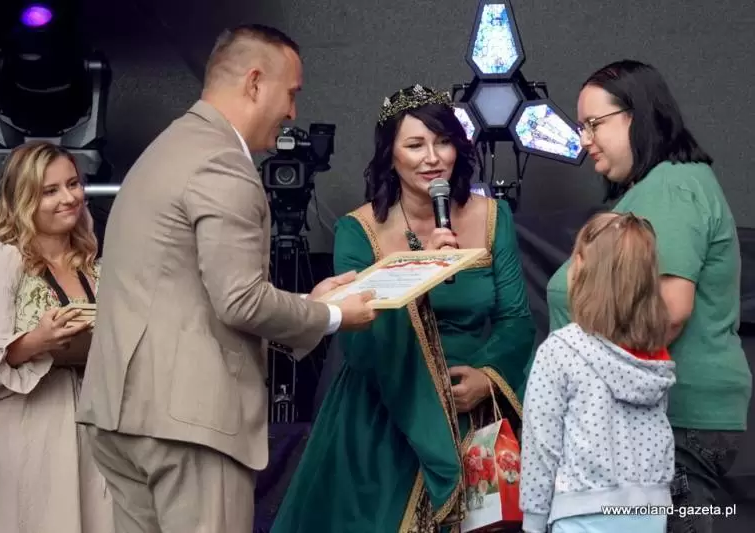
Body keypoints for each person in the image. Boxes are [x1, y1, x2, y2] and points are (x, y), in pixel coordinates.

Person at [75, 24, 377, 533]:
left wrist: (306, 300)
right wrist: (331, 315)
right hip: (190, 424)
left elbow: (187, 287)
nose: (293, 112)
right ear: (255, 82)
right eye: (292, 93)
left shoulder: (167, 148)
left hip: (120, 413)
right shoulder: (223, 163)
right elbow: (239, 300)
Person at [271, 84, 536, 533]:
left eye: (443, 142)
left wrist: (487, 378)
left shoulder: (493, 218)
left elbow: (516, 320)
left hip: (471, 403)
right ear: (389, 155)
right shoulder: (359, 230)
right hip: (386, 411)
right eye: (415, 145)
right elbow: (361, 343)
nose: (432, 158)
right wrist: (422, 269)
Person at [545, 60, 752, 533]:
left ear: (635, 116)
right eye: (581, 127)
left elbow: (669, 312)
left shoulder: (672, 186)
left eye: (594, 123)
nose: (585, 140)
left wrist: (583, 385)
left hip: (672, 421)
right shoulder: (650, 190)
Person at [0, 141, 112, 533]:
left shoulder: (95, 268)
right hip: (25, 435)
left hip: (89, 433)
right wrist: (37, 342)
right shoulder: (2, 260)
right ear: (23, 200)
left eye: (73, 184)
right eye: (50, 191)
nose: (69, 198)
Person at [522, 212, 676, 533]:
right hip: (651, 513)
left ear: (580, 267)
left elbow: (541, 448)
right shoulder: (655, 358)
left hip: (580, 514)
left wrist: (533, 523)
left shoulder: (561, 350)